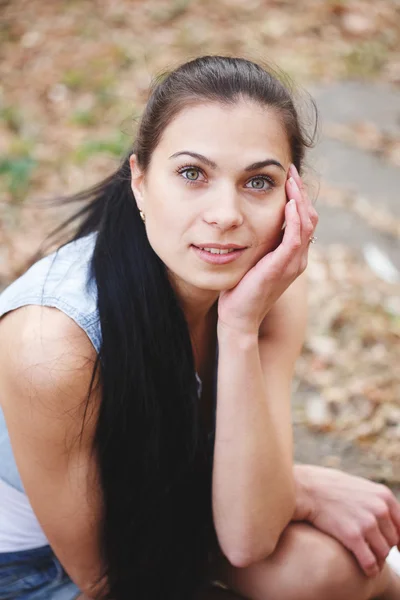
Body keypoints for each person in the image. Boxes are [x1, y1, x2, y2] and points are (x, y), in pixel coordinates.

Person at [0, 55, 399, 600]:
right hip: (38, 570)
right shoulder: (52, 342)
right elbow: (104, 578)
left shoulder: (266, 285)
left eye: (258, 181)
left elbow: (249, 538)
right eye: (192, 174)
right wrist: (297, 489)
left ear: (292, 194)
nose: (225, 214)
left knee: (341, 571)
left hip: (159, 510)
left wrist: (238, 327)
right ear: (139, 181)